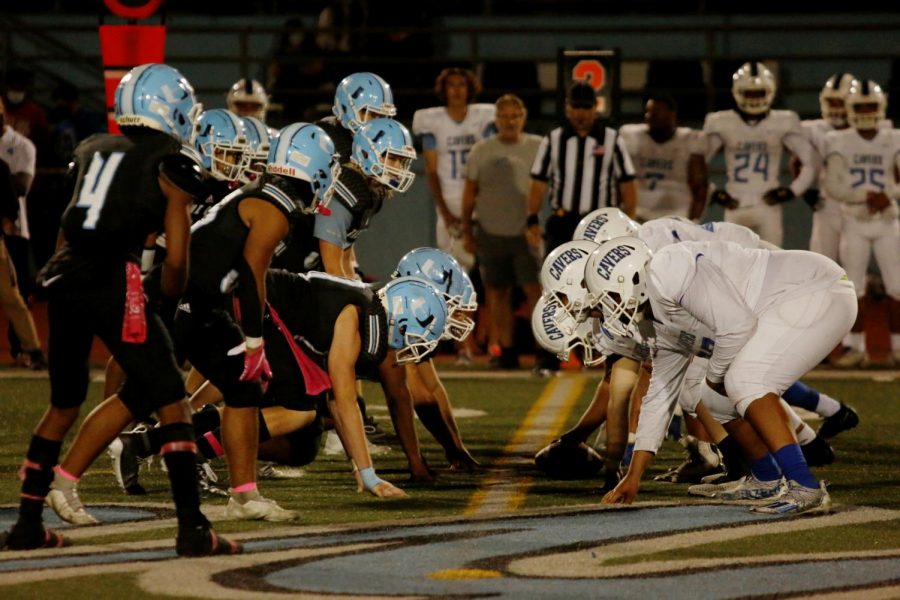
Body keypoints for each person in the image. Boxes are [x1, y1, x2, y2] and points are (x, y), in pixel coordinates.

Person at [0, 63, 242, 556]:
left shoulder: (92, 149)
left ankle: (28, 524)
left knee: (63, 404)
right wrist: (166, 301)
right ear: (168, 108)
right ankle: (193, 529)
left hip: (64, 275)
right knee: (172, 399)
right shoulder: (171, 161)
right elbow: (176, 259)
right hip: (112, 277)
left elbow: (68, 226)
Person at [592, 236, 856, 514]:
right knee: (712, 398)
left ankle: (804, 486)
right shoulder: (653, 321)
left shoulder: (667, 269)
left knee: (743, 380)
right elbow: (659, 397)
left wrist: (716, 377)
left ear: (631, 278)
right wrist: (634, 476)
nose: (609, 308)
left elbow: (737, 326)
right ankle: (766, 477)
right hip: (783, 305)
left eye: (610, 296)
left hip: (815, 290)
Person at [172, 121, 339, 522]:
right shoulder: (274, 207)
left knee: (243, 389)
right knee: (147, 395)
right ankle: (65, 477)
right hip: (189, 301)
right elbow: (251, 274)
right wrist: (253, 340)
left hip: (196, 301)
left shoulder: (267, 194)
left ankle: (244, 495)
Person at [526, 81, 637, 374]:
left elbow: (628, 184)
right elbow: (538, 181)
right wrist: (532, 218)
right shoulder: (554, 139)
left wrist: (628, 225)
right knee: (554, 288)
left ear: (595, 109)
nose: (581, 113)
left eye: (586, 107)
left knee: (606, 289)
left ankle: (607, 354)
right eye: (576, 107)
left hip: (599, 226)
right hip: (564, 221)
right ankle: (548, 356)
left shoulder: (612, 139)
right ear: (567, 108)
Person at [460, 94, 542, 369]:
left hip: (525, 232)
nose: (510, 121)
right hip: (490, 230)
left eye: (515, 115)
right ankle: (506, 350)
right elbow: (469, 194)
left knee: (535, 291)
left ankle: (544, 348)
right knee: (497, 293)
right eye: (504, 116)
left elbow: (546, 190)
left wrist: (538, 223)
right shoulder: (481, 150)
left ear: (524, 117)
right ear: (496, 120)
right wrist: (468, 231)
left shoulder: (538, 147)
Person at [823, 79, 900, 367]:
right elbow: (833, 186)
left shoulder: (894, 138)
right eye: (861, 106)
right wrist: (866, 196)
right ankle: (854, 347)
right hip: (854, 221)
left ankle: (897, 347)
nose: (866, 111)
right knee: (853, 288)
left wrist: (888, 194)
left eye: (871, 105)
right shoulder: (838, 140)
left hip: (887, 220)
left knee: (897, 286)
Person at [703, 61, 815, 247]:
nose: (754, 98)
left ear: (769, 92)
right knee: (730, 263)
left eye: (759, 92)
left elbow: (809, 162)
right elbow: (697, 164)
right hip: (735, 203)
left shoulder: (782, 121)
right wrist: (713, 192)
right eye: (749, 93)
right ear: (737, 92)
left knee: (773, 262)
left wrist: (791, 191)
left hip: (767, 204)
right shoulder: (723, 122)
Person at [412, 67, 496, 273]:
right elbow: (431, 170)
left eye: (462, 85)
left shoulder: (483, 118)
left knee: (491, 268)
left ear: (469, 89)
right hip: (450, 198)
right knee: (454, 269)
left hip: (480, 199)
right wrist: (444, 210)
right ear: (444, 90)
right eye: (451, 85)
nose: (457, 91)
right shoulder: (433, 122)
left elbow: (489, 163)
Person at [0, 96, 46, 369]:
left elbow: (14, 199)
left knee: (13, 297)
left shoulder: (10, 157)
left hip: (7, 236)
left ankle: (31, 349)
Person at [619, 93, 708, 222]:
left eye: (656, 112)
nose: (650, 116)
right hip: (639, 213)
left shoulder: (690, 139)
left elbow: (700, 186)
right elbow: (620, 179)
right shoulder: (631, 136)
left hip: (676, 215)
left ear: (672, 115)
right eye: (648, 112)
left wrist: (694, 220)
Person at [319, 71, 396, 164]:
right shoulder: (326, 140)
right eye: (369, 113)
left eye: (381, 116)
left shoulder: (378, 145)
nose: (376, 122)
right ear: (345, 108)